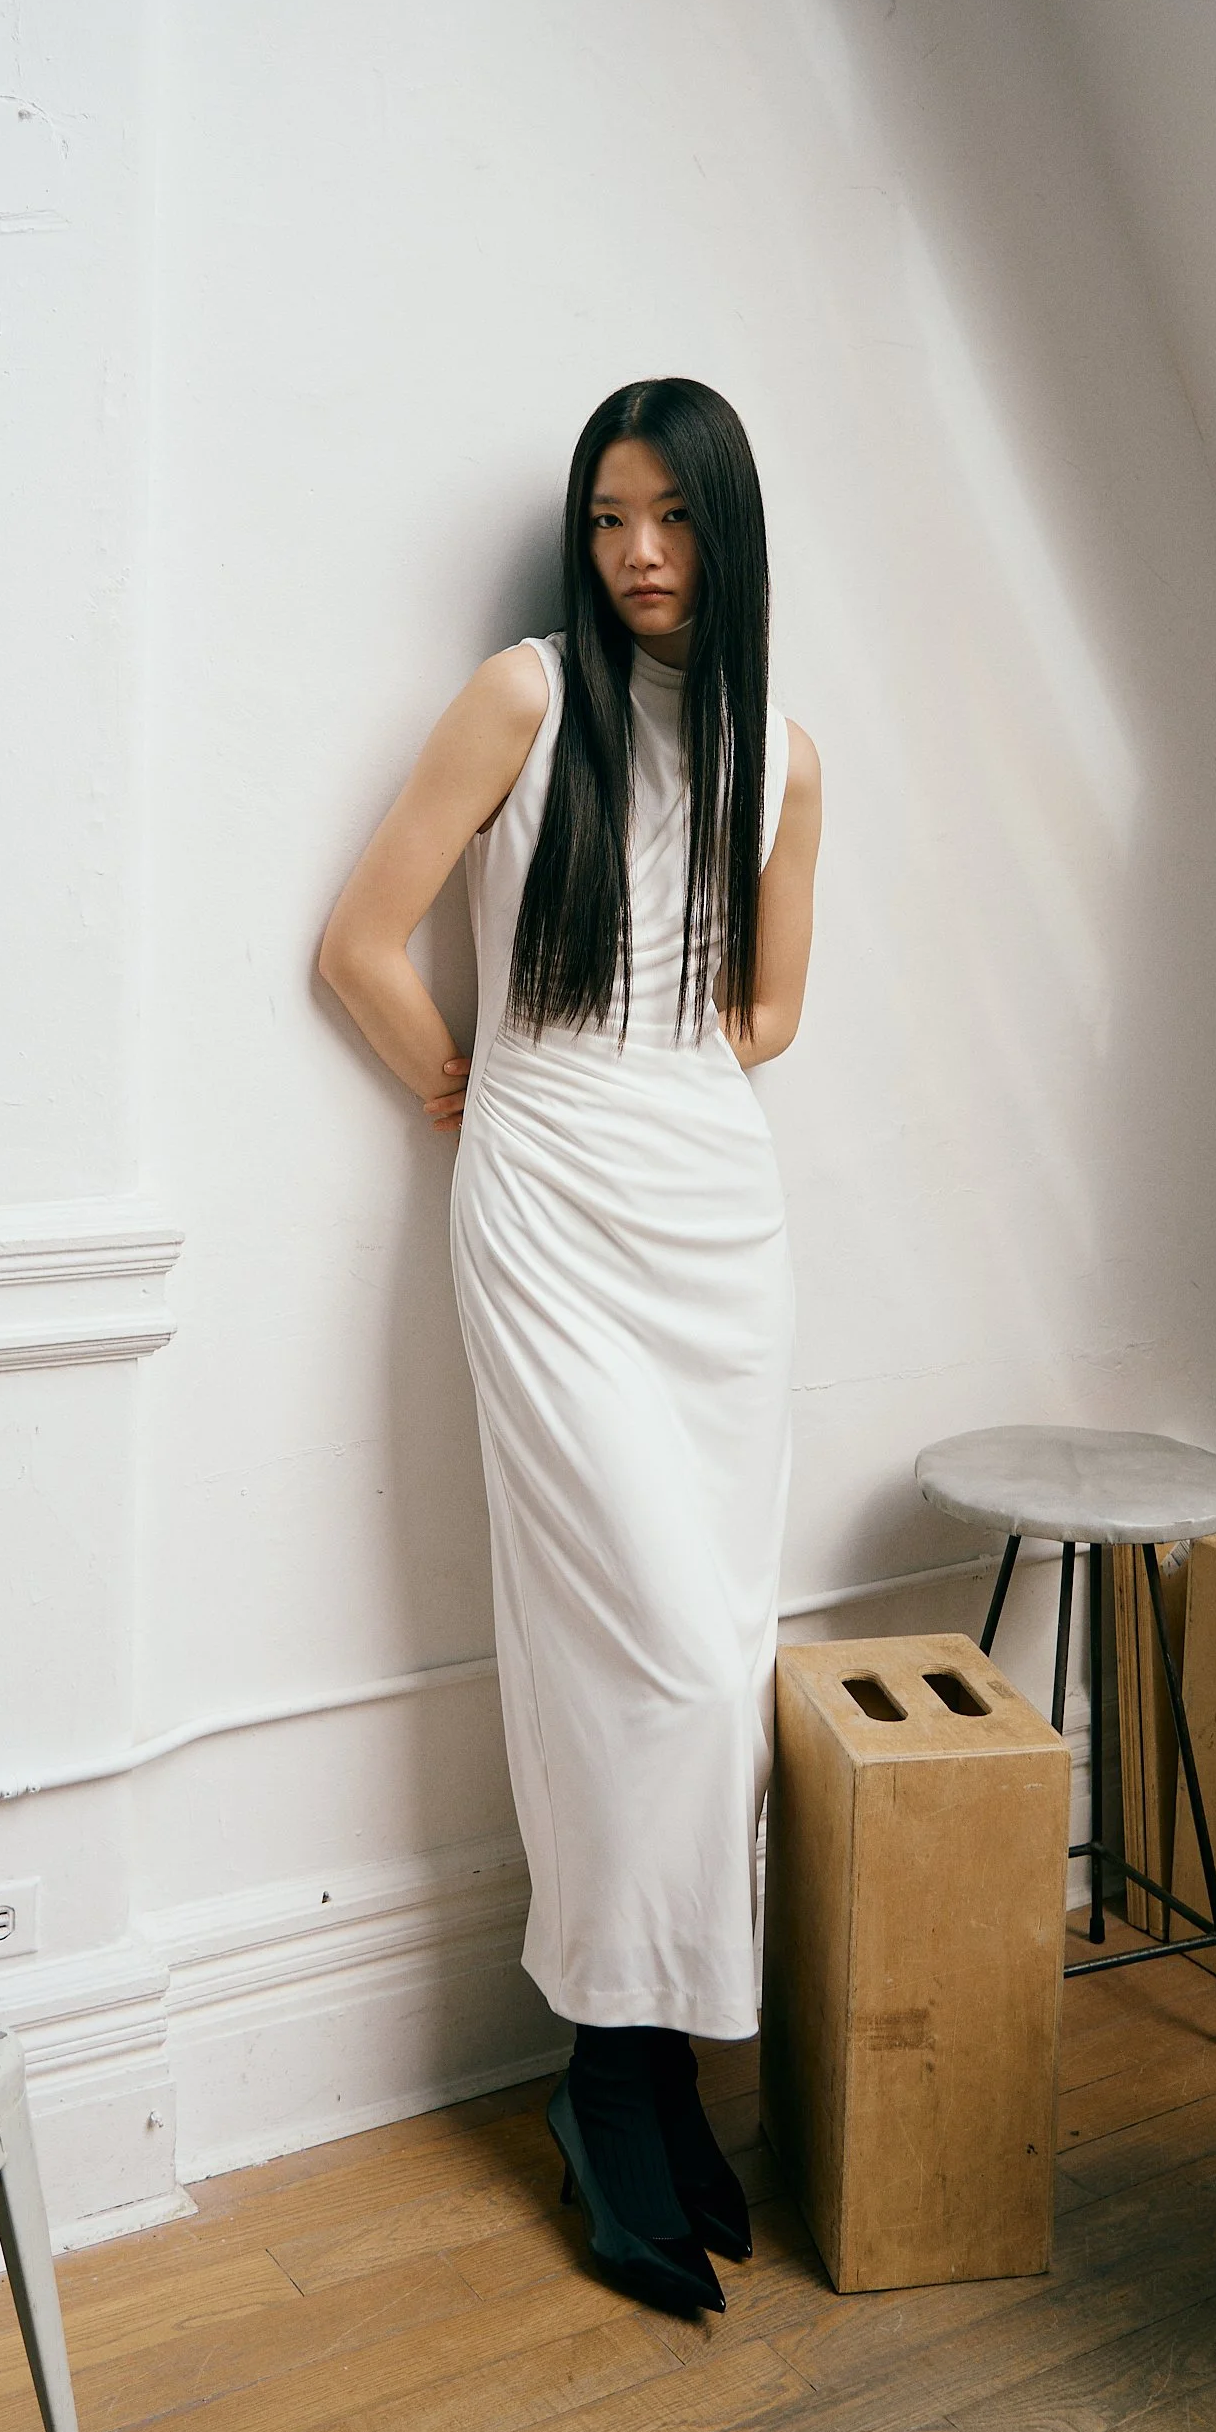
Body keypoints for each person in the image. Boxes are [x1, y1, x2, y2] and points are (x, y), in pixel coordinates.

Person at [319, 377, 821, 2314]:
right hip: (542, 1210)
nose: (637, 553)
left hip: (714, 1224)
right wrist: (482, 1086)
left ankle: (654, 2066)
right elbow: (359, 940)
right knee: (633, 1650)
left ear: (726, 530)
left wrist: (666, 1077)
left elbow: (771, 1011)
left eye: (672, 518)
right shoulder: (524, 697)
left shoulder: (786, 751)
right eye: (610, 515)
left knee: (716, 1656)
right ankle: (607, 2083)